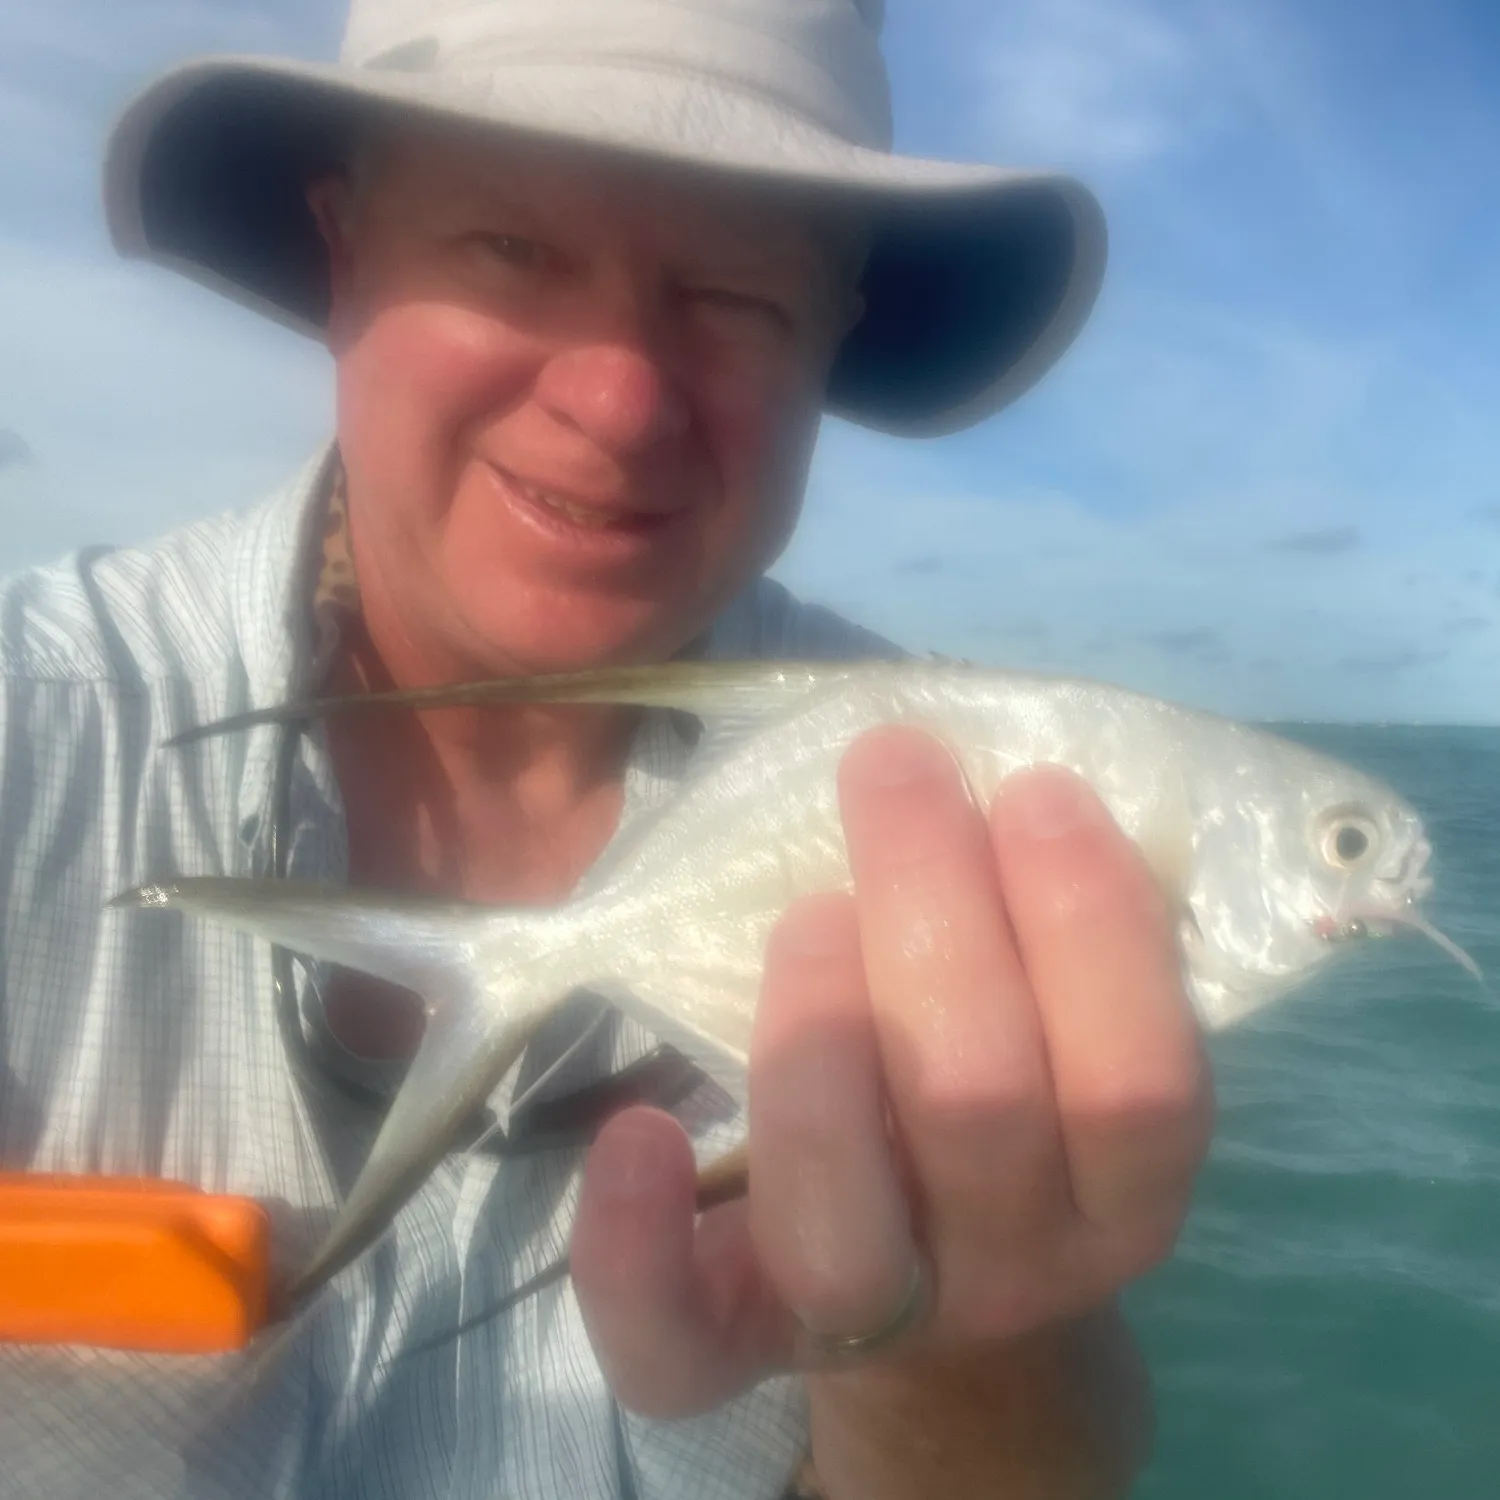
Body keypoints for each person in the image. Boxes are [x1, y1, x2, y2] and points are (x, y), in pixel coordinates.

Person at [0, 1, 1214, 1496]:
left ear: (829, 342)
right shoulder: (28, 727)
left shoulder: (953, 813)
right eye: (509, 246)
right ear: (342, 255)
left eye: (743, 295)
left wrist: (948, 1336)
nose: (621, 397)